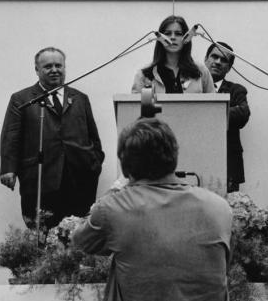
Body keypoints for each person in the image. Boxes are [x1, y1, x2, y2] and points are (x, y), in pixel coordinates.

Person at [72, 118, 232, 301]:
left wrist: (116, 188)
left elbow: (80, 241)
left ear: (126, 167)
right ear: (174, 156)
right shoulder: (220, 208)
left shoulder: (113, 209)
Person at [0, 47, 105, 229]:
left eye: (58, 65)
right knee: (41, 233)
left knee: (78, 234)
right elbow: (11, 135)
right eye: (48, 66)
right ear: (37, 69)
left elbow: (93, 137)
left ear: (64, 67)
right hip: (40, 178)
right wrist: (8, 169)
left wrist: (94, 164)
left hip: (79, 179)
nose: (54, 70)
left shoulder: (80, 98)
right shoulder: (21, 99)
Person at [204, 42, 250, 193]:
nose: (218, 62)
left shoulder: (236, 90)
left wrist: (204, 112)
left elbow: (242, 114)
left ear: (229, 67)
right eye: (214, 57)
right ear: (206, 59)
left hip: (228, 163)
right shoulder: (191, 87)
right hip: (197, 159)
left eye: (224, 60)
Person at [131, 15, 214, 93]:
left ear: (186, 37)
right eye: (168, 33)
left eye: (178, 34)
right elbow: (134, 103)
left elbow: (214, 101)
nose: (173, 37)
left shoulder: (201, 71)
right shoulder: (145, 74)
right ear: (160, 38)